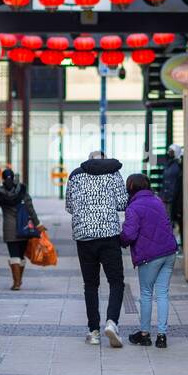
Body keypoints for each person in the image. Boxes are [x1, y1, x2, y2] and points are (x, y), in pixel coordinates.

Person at [64, 149, 128, 347]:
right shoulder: (113, 173)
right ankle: (112, 322)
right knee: (116, 281)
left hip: (84, 237)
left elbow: (69, 206)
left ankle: (93, 331)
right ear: (105, 159)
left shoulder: (75, 175)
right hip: (109, 234)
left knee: (90, 285)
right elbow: (123, 203)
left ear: (88, 159)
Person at [119, 173, 180, 348]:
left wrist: (119, 240)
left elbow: (129, 235)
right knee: (162, 294)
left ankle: (144, 334)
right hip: (169, 252)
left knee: (146, 293)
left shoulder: (133, 207)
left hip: (150, 256)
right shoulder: (157, 201)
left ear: (130, 188)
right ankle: (162, 336)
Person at [0, 168, 40, 290]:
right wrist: (37, 224)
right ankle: (19, 280)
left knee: (14, 255)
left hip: (9, 229)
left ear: (2, 179)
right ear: (14, 178)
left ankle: (16, 283)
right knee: (21, 256)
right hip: (24, 228)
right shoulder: (22, 191)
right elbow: (30, 209)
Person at [161, 145, 183, 248]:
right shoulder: (168, 164)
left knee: (170, 221)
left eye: (171, 151)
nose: (168, 152)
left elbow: (175, 183)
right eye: (168, 150)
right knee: (166, 221)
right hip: (166, 197)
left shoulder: (178, 165)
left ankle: (172, 244)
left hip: (172, 198)